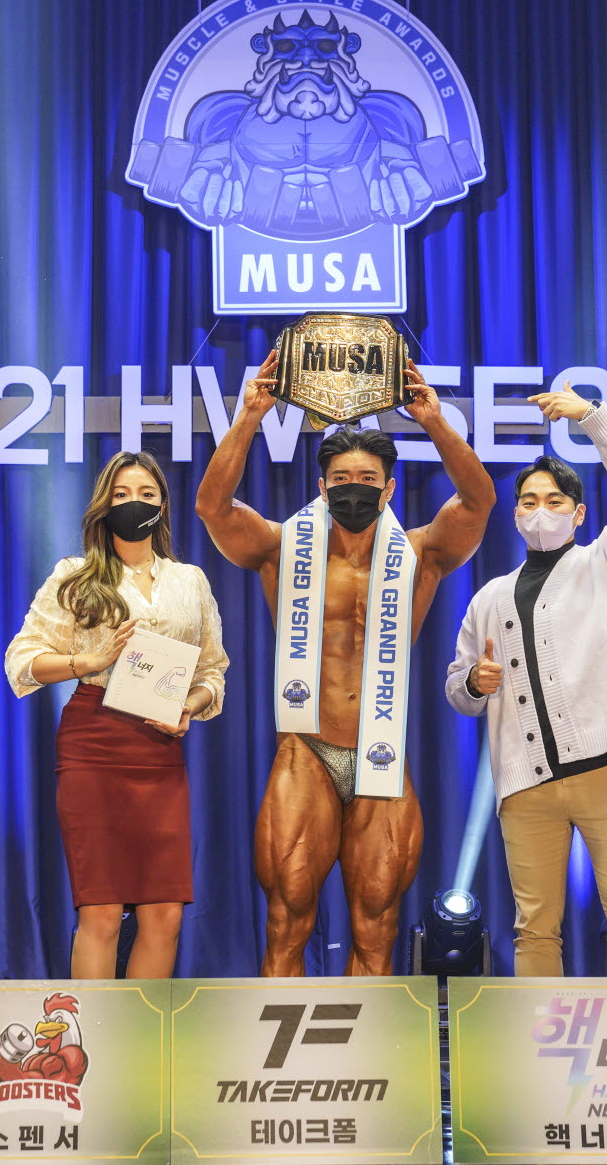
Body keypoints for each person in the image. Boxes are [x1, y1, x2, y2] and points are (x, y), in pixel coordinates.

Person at [195, 350, 494, 975]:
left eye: (366, 479)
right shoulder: (282, 549)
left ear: (389, 488)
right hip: (305, 751)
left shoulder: (422, 553)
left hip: (381, 753)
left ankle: (367, 1043)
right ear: (322, 487)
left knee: (376, 926)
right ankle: (283, 1043)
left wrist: (434, 422)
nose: (352, 488)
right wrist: (250, 416)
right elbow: (214, 510)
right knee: (287, 920)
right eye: (340, 478)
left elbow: (477, 503)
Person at [445, 385, 607, 977]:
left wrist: (592, 418)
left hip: (606, 770)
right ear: (515, 514)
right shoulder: (489, 597)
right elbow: (458, 689)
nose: (539, 510)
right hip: (525, 784)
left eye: (553, 500)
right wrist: (474, 682)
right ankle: (541, 1038)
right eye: (528, 501)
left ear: (579, 513)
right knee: (533, 931)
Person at [5, 451, 229, 979]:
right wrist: (91, 660)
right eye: (121, 494)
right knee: (102, 912)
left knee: (165, 914)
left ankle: (142, 1030)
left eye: (147, 494)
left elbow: (213, 671)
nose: (134, 503)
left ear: (163, 506)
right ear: (104, 505)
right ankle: (93, 1029)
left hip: (159, 747)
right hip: (94, 741)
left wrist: (188, 708)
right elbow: (22, 660)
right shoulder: (74, 576)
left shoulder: (190, 580)